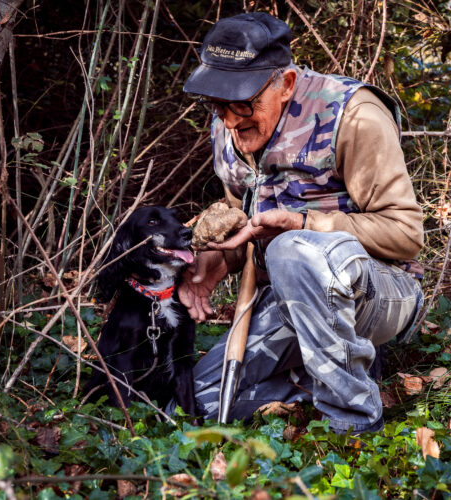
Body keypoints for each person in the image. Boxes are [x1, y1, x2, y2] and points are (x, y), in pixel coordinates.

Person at [175, 12, 424, 433]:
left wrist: (303, 223)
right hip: (292, 301)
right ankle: (326, 372)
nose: (230, 121)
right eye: (217, 104)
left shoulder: (353, 114)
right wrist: (220, 260)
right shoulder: (227, 125)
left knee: (294, 250)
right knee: (197, 401)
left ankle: (354, 427)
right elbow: (245, 218)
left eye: (243, 102)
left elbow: (405, 234)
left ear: (286, 83)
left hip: (380, 293)